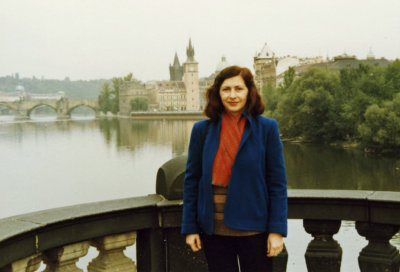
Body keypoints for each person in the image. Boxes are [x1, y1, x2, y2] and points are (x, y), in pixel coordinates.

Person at [181, 65, 287, 272]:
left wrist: (277, 231)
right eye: (226, 89)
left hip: (255, 229)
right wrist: (190, 228)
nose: (232, 95)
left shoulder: (267, 129)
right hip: (214, 230)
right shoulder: (202, 131)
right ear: (217, 94)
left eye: (239, 89)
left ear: (249, 92)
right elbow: (192, 182)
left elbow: (277, 184)